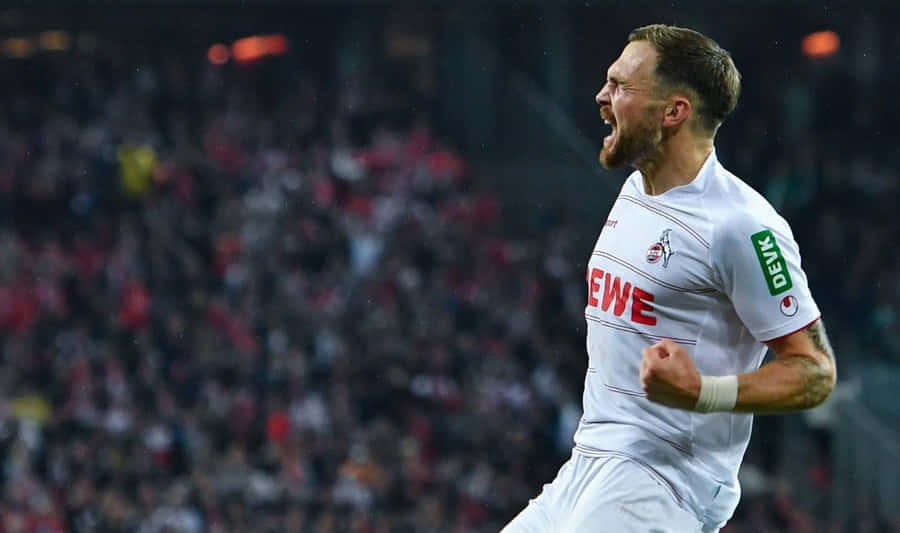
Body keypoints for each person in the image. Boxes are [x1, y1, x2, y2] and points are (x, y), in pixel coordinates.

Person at [502, 24, 836, 532]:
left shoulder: (743, 226)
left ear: (674, 112)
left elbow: (815, 372)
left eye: (620, 86)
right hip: (588, 464)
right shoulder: (636, 189)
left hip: (664, 483)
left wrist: (703, 392)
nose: (601, 97)